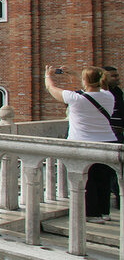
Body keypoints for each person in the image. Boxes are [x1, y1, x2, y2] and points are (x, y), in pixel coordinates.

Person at [44, 65, 119, 221]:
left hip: (83, 143)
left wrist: (48, 75)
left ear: (85, 81)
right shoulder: (109, 96)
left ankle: (92, 214)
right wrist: (76, 73)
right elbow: (96, 84)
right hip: (108, 141)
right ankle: (104, 212)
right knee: (103, 179)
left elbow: (51, 88)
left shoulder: (75, 98)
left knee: (87, 179)